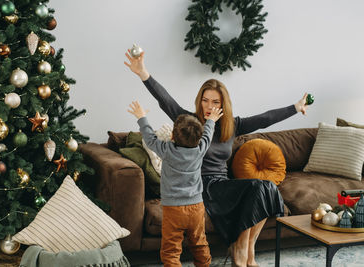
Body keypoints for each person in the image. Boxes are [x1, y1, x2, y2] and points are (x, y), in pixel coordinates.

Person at [124, 51, 309, 267]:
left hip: (222, 184)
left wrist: (295, 108)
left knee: (266, 188)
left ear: (223, 104)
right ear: (199, 101)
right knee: (259, 189)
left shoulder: (233, 125)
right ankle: (240, 250)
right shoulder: (190, 123)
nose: (209, 106)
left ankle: (248, 249)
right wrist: (143, 73)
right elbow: (165, 100)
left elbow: (265, 119)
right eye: (205, 100)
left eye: (215, 101)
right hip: (202, 187)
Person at [127, 100, 223, 267]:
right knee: (199, 243)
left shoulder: (167, 150)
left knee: (171, 249)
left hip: (173, 209)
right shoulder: (200, 149)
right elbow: (208, 134)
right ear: (198, 138)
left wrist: (142, 117)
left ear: (172, 136)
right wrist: (211, 120)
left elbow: (149, 138)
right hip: (196, 207)